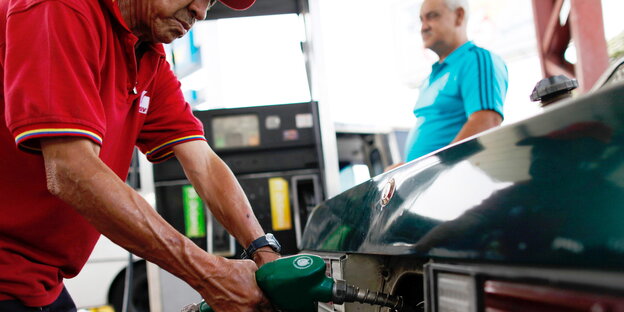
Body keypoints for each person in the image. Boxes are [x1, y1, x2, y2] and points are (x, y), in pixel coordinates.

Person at [0, 0, 280, 311]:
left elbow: (201, 160)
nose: (200, 11)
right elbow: (70, 169)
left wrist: (264, 252)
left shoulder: (147, 56)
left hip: (38, 282)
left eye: (210, 2)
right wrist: (210, 274)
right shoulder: (59, 7)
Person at [392, 0, 508, 168]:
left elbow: (486, 121)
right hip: (430, 184)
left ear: (459, 16)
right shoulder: (431, 77)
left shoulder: (476, 59)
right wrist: (406, 171)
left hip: (455, 183)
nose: (423, 27)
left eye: (432, 16)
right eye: (421, 20)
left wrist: (431, 170)